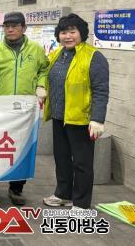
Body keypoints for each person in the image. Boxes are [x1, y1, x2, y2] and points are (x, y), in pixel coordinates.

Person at [0, 11, 49, 205]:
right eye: (7, 26)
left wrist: (41, 85)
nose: (10, 30)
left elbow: (44, 69)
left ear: (23, 28)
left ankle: (16, 188)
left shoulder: (36, 50)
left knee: (21, 149)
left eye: (15, 26)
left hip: (24, 110)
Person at [42, 14, 109, 209]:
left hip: (81, 119)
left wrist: (97, 119)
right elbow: (48, 77)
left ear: (82, 33)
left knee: (82, 163)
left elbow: (100, 90)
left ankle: (81, 202)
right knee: (61, 158)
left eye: (72, 32)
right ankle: (63, 194)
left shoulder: (94, 57)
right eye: (63, 32)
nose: (68, 36)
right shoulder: (57, 54)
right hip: (59, 116)